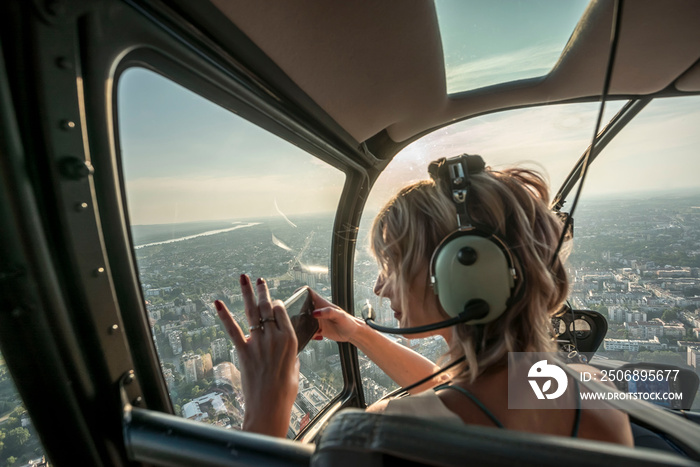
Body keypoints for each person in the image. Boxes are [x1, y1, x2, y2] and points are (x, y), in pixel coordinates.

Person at [214, 157, 634, 445]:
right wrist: (360, 334)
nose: (380, 288)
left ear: (463, 270)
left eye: (392, 266)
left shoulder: (380, 434)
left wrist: (265, 405)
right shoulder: (595, 400)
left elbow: (453, 403)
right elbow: (456, 391)